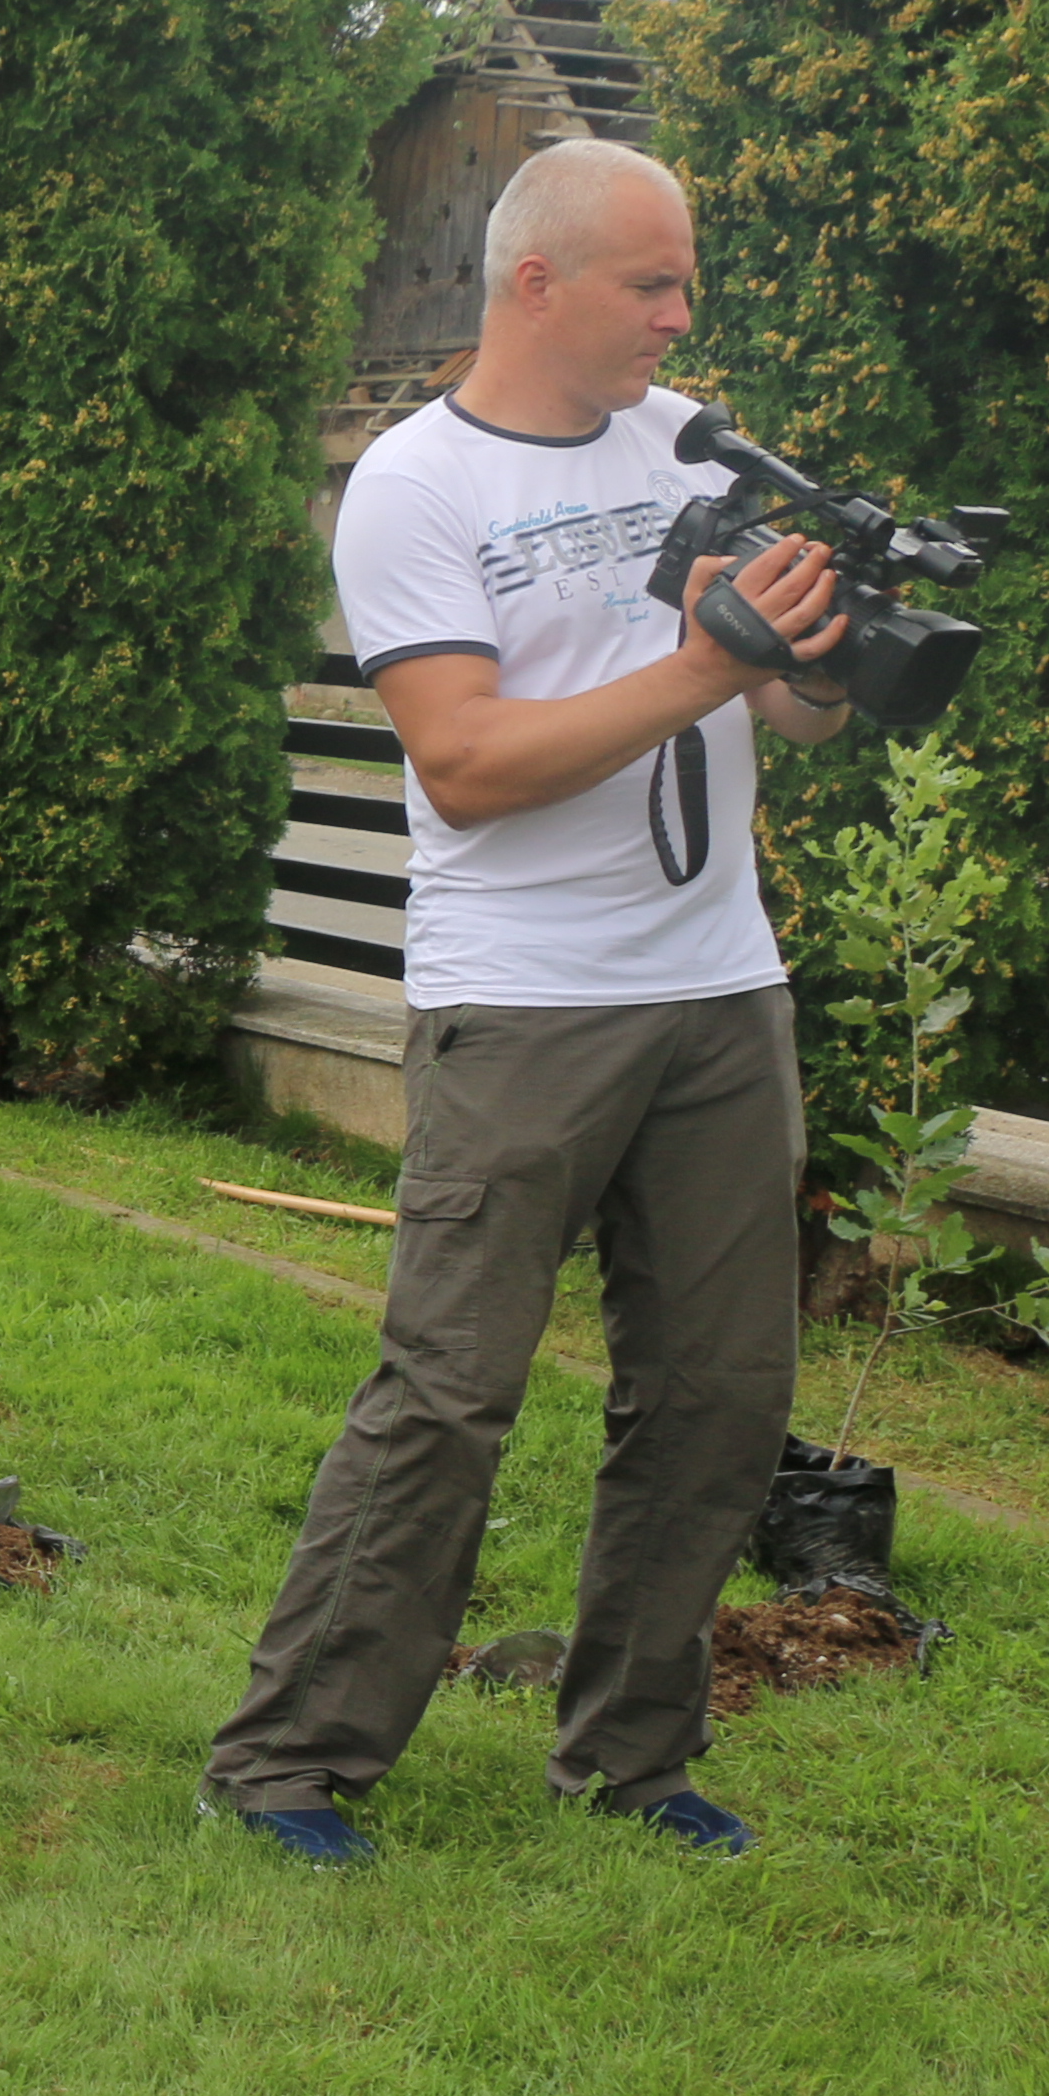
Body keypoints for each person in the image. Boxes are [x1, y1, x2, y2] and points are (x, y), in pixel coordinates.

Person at [199, 135, 848, 1865]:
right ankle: (291, 1757)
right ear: (535, 283)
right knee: (451, 1389)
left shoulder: (682, 438)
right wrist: (704, 662)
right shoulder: (417, 486)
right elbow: (469, 762)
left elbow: (787, 716)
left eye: (685, 278)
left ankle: (631, 1759)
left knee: (719, 1393)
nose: (680, 312)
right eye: (653, 281)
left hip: (723, 987)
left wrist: (807, 659)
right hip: (527, 1002)